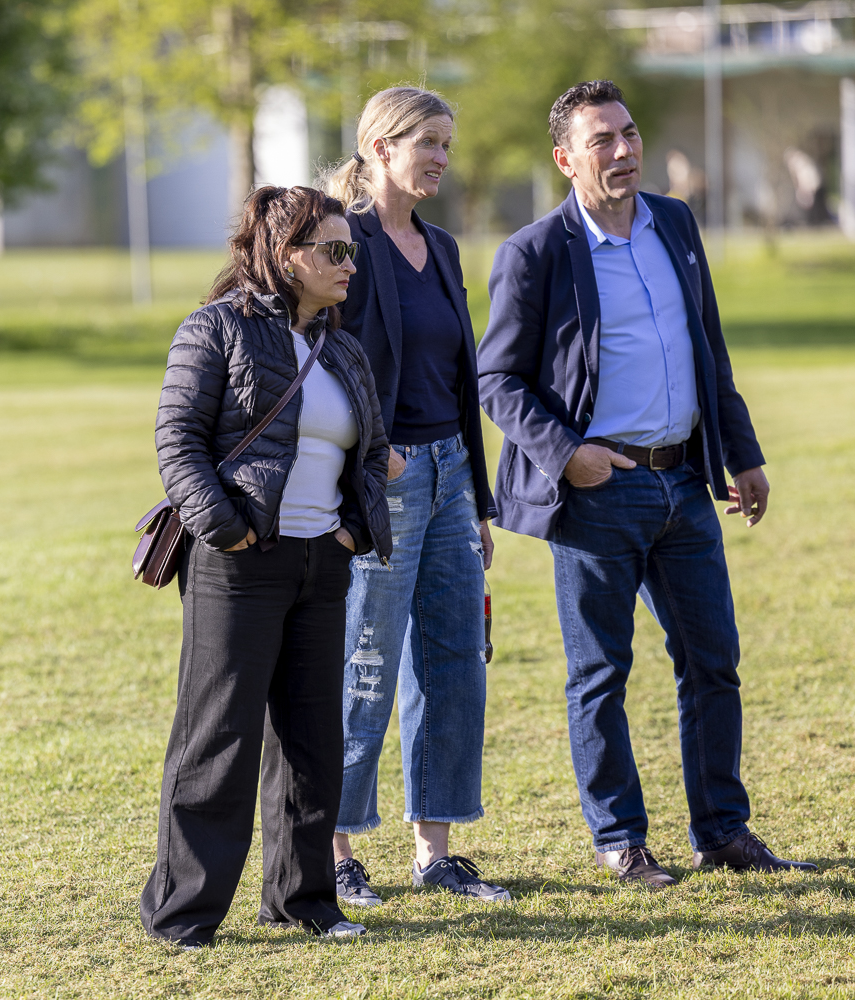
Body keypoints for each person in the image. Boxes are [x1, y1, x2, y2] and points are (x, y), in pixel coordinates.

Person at [476, 80, 817, 887]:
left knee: (714, 662)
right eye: (602, 140)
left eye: (628, 133)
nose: (624, 150)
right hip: (599, 491)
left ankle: (722, 833)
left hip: (686, 482)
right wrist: (569, 454)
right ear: (566, 159)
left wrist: (744, 454)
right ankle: (620, 839)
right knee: (601, 674)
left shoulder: (676, 223)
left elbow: (709, 348)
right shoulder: (533, 253)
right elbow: (496, 379)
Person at [140, 185, 394, 948]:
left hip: (324, 566)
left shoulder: (343, 349)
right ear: (286, 256)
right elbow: (177, 441)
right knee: (218, 738)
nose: (350, 264)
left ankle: (304, 900)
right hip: (239, 564)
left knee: (312, 742)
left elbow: (374, 452)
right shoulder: (215, 328)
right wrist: (228, 530)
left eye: (352, 250)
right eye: (334, 250)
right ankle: (184, 914)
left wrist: (351, 533)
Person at [320, 86, 510, 906]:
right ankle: (333, 852)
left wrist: (481, 503)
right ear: (381, 148)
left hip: (453, 478)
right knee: (365, 664)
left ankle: (435, 853)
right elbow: (319, 357)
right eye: (428, 142)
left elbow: (463, 379)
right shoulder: (344, 242)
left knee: (454, 662)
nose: (440, 158)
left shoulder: (444, 247)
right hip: (384, 480)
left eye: (447, 145)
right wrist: (371, 454)